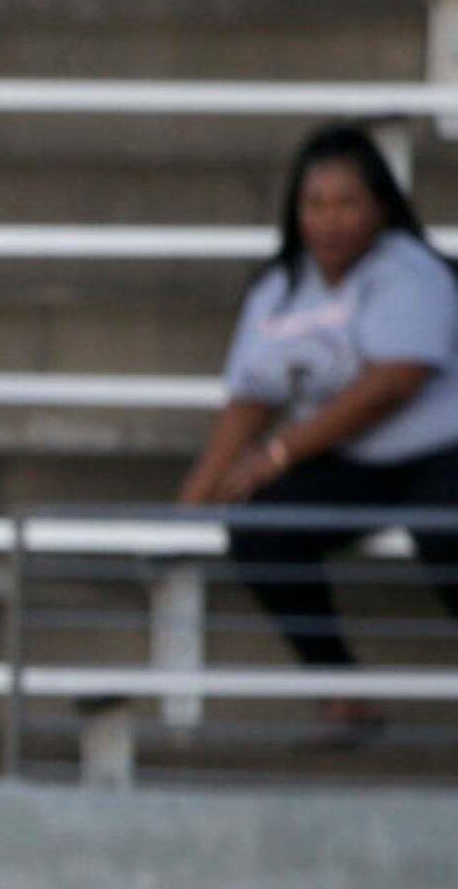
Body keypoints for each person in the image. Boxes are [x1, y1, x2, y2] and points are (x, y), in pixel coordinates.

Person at [178, 122, 458, 745]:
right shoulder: (280, 287)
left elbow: (395, 382)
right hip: (355, 461)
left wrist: (281, 452)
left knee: (446, 537)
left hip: (441, 453)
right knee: (260, 527)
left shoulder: (414, 272)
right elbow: (251, 399)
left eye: (346, 203)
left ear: (382, 207)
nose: (329, 221)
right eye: (316, 204)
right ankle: (341, 692)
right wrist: (188, 508)